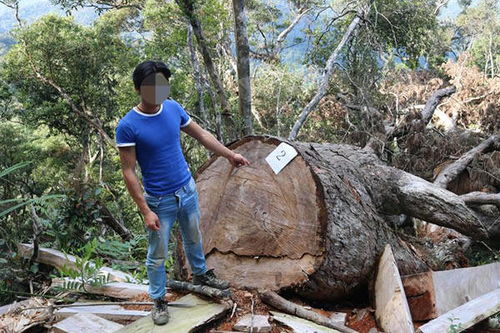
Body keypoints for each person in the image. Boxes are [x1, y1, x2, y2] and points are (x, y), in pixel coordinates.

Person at [115, 60, 250, 325]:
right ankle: (158, 299)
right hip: (159, 200)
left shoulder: (173, 108)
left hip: (186, 189)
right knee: (158, 253)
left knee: (193, 236)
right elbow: (128, 171)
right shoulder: (128, 125)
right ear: (137, 89)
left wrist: (229, 154)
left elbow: (201, 135)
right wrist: (145, 210)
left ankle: (200, 274)